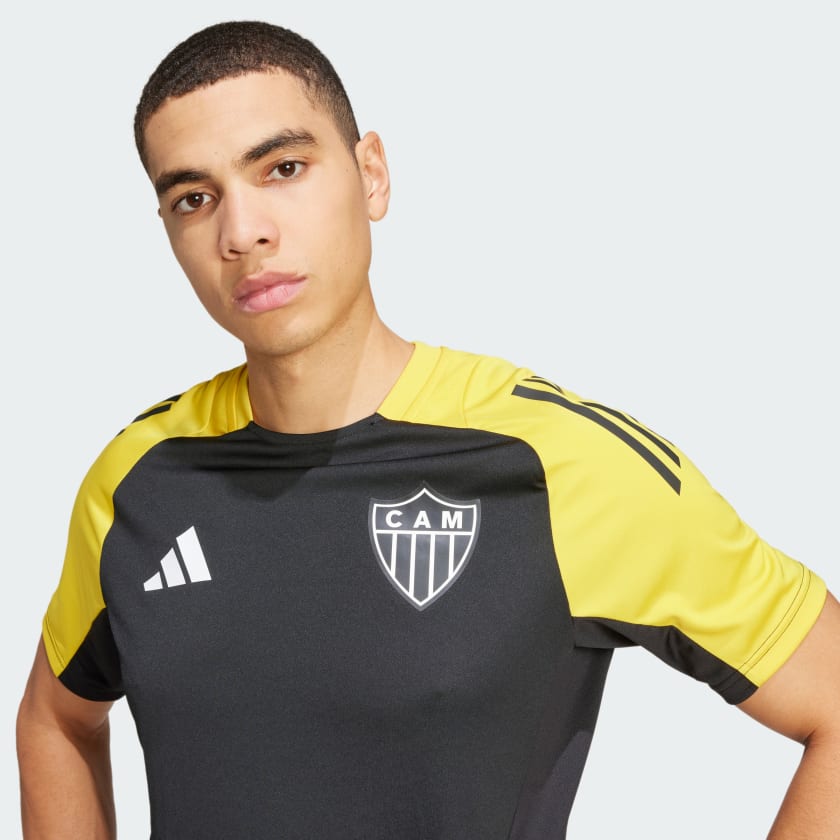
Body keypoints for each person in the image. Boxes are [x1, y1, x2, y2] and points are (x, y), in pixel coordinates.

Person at [16, 19, 840, 840]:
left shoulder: (552, 462)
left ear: (371, 175)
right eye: (194, 199)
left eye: (284, 168)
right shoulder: (138, 480)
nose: (243, 234)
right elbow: (55, 719)